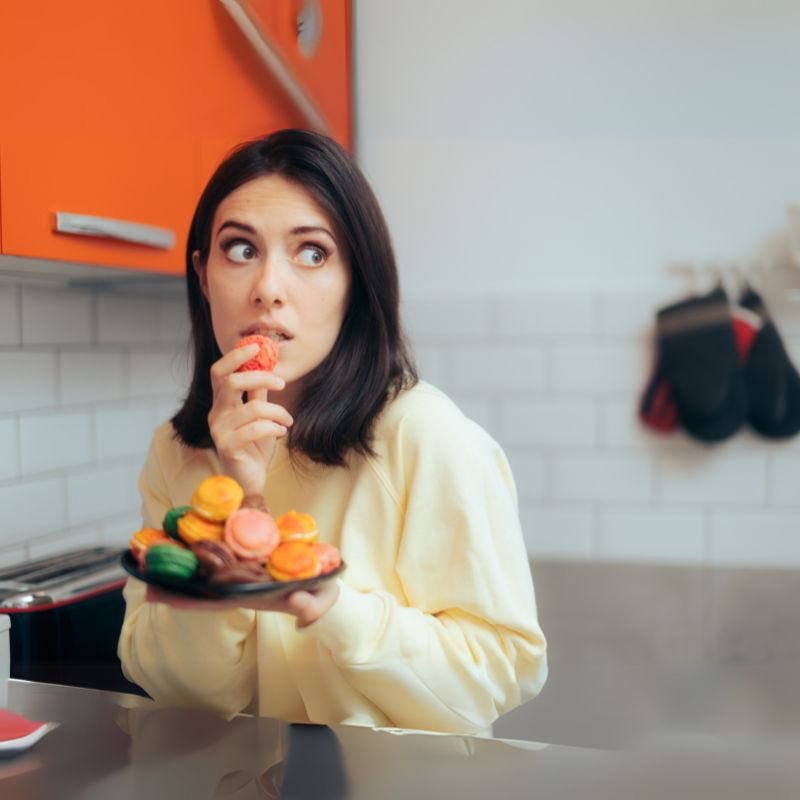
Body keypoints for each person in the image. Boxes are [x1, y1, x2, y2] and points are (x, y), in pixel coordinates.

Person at [118, 129, 547, 734]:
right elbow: (181, 686)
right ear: (203, 275)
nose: (268, 287)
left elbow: (499, 674)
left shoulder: (426, 437)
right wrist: (242, 505)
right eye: (240, 249)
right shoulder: (177, 452)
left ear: (355, 282)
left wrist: (336, 610)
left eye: (312, 253)